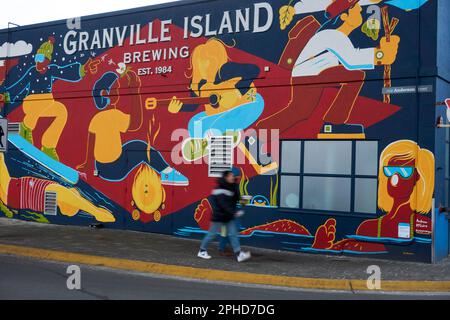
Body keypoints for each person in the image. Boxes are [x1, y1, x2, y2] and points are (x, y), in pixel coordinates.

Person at [198, 170, 251, 262]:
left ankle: (239, 254)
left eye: (233, 176)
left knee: (233, 234)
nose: (233, 177)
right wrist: (234, 213)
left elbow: (236, 198)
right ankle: (202, 251)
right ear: (226, 177)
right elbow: (224, 205)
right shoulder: (219, 189)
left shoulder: (231, 186)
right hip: (219, 216)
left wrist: (243, 199)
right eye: (231, 176)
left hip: (227, 216)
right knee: (212, 234)